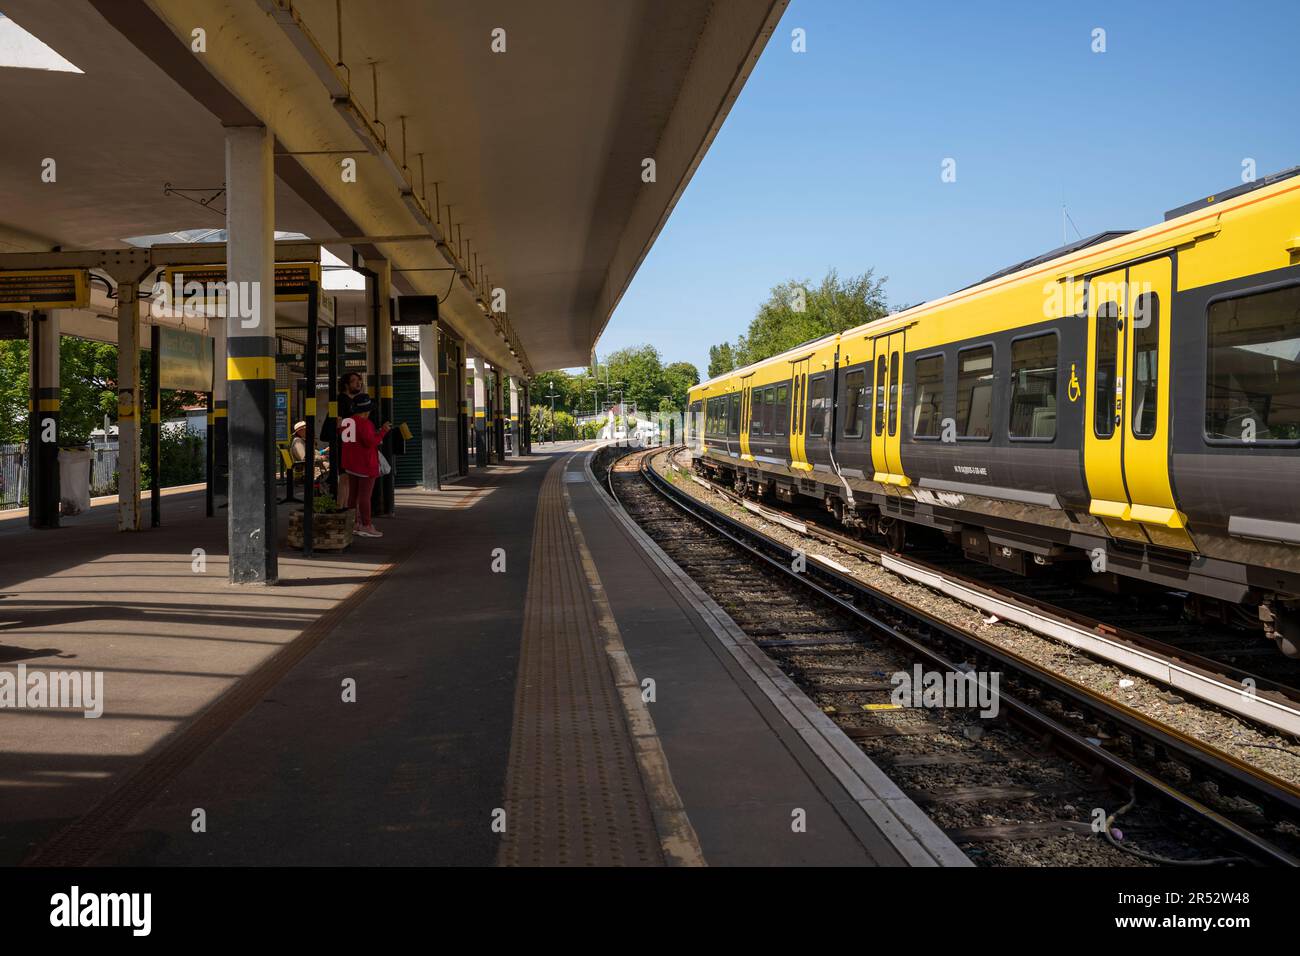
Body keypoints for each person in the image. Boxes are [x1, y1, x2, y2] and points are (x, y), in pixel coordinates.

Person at [340, 392, 390, 538]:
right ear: (367, 410)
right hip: (365, 464)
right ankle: (366, 525)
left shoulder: (346, 422)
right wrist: (382, 432)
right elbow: (371, 442)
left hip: (350, 463)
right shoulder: (366, 423)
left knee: (352, 496)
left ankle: (353, 523)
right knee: (364, 497)